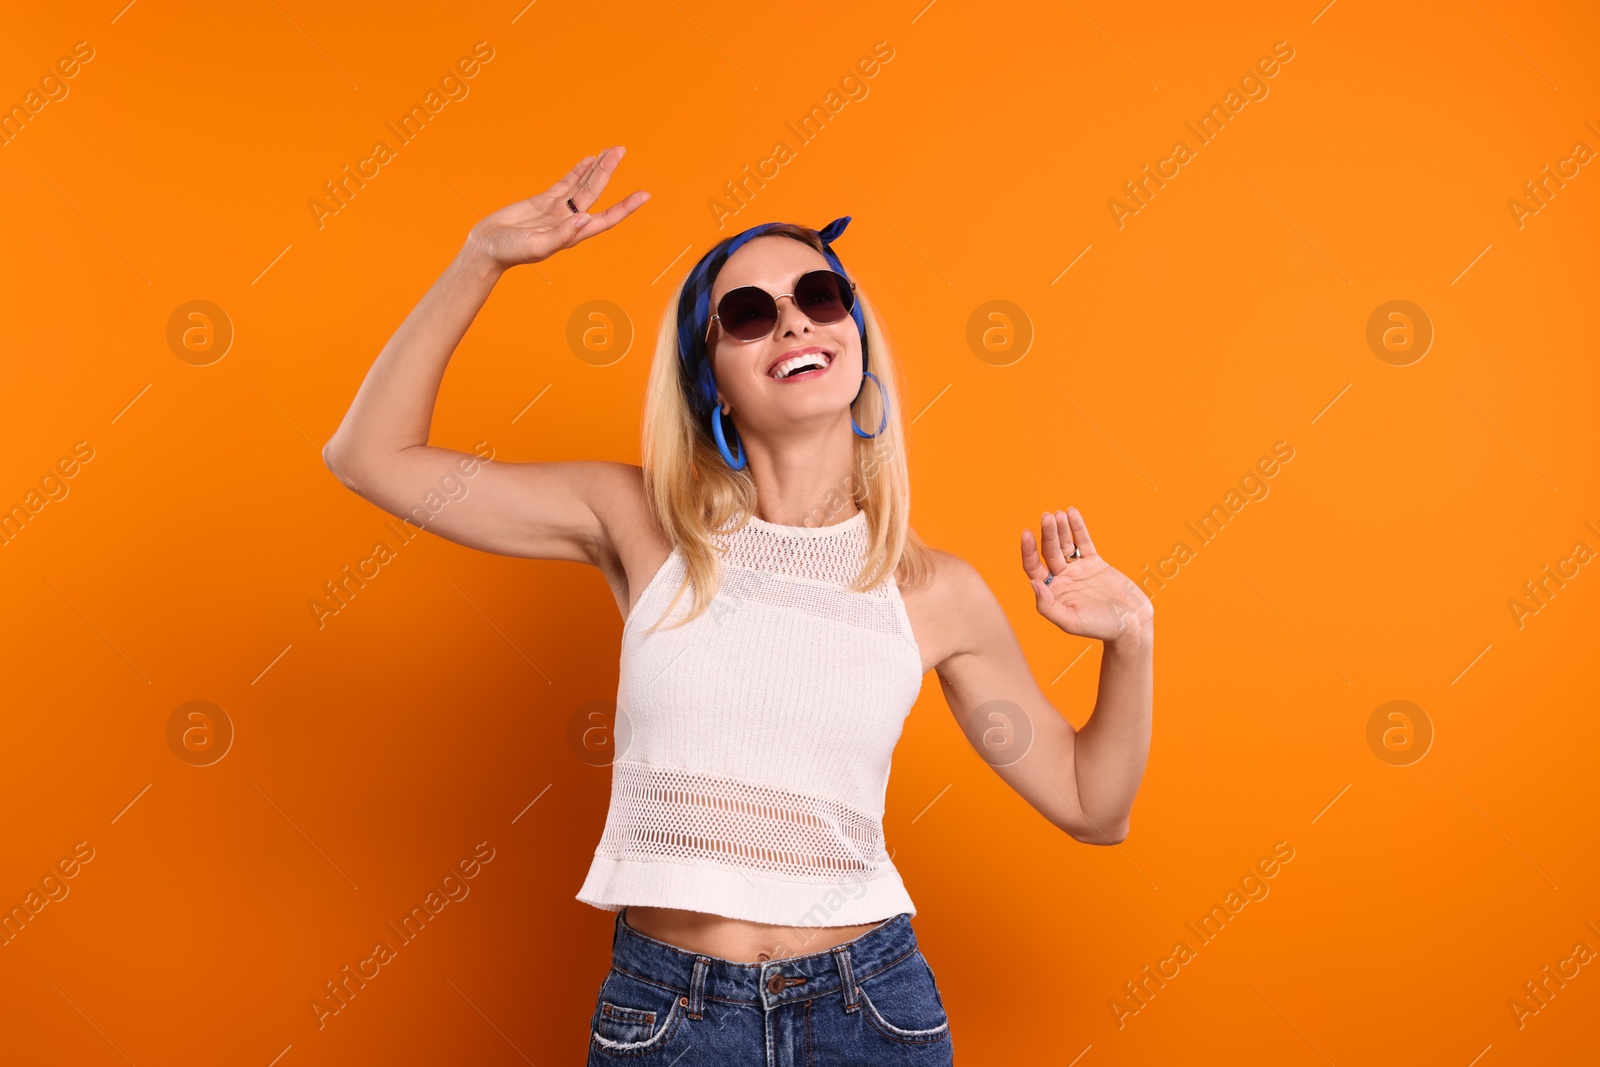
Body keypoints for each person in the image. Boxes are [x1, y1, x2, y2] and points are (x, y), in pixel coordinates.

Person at [323, 146, 1154, 1064]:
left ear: (856, 334)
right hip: (672, 1014)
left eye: (819, 296)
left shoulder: (934, 592)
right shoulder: (641, 524)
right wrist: (482, 255)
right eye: (749, 316)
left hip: (870, 1011)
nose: (795, 323)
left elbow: (1092, 803)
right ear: (710, 376)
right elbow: (372, 457)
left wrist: (1131, 641)